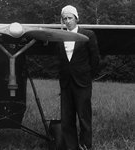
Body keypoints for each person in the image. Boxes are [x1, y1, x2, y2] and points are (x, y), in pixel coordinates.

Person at [57, 5, 100, 150]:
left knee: (84, 117)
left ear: (76, 18)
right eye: (65, 19)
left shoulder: (88, 35)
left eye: (70, 18)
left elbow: (95, 60)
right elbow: (59, 60)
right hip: (66, 83)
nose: (67, 21)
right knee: (67, 119)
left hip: (82, 82)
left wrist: (87, 76)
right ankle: (71, 147)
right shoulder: (59, 36)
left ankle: (85, 146)